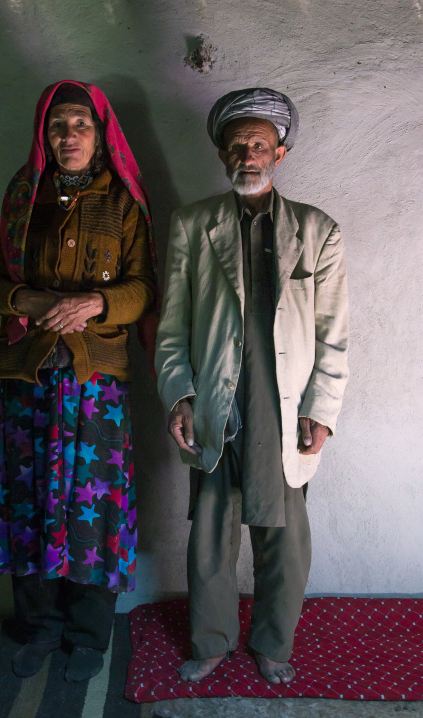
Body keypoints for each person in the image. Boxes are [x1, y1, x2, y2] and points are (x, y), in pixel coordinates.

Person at [155, 88, 348, 685]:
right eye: (237, 143)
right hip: (217, 393)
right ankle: (210, 641)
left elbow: (333, 333)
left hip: (283, 403)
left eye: (259, 143)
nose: (248, 153)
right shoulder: (192, 223)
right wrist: (180, 395)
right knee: (211, 528)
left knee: (282, 531)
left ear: (280, 153)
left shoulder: (318, 230)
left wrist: (322, 409)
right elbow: (172, 324)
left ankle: (272, 644)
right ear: (221, 153)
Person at [0, 80, 156, 681]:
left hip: (95, 384)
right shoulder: (24, 196)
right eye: (58, 126)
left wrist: (97, 304)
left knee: (91, 510)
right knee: (28, 504)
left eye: (81, 124)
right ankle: (38, 627)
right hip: (28, 377)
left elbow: (143, 288)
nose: (69, 135)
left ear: (101, 133)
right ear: (43, 134)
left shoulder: (124, 202)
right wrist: (23, 294)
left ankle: (87, 634)